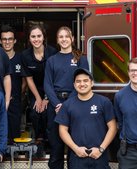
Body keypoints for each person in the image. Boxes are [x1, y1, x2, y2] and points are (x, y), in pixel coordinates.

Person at [44, 26, 89, 169]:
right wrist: (57, 104)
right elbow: (47, 85)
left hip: (76, 104)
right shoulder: (51, 60)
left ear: (72, 39)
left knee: (74, 145)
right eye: (61, 37)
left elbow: (84, 83)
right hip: (55, 106)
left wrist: (68, 105)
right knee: (56, 145)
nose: (64, 39)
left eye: (66, 36)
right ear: (57, 40)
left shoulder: (80, 58)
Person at [54, 68, 117, 169]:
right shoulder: (67, 105)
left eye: (85, 80)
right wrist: (76, 149)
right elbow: (62, 130)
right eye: (78, 81)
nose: (82, 84)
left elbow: (113, 128)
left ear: (92, 83)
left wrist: (101, 149)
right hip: (76, 157)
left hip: (99, 156)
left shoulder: (104, 102)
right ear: (74, 85)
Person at [21, 24, 57, 157]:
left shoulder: (53, 52)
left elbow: (55, 77)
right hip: (35, 89)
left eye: (39, 36)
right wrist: (38, 98)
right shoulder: (25, 55)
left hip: (52, 88)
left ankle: (50, 142)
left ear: (44, 37)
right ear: (29, 39)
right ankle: (39, 140)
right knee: (36, 112)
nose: (36, 39)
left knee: (48, 113)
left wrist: (47, 98)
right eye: (33, 36)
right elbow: (28, 79)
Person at [0, 25, 26, 143]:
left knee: (15, 131)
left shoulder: (21, 58)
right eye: (4, 39)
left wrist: (18, 94)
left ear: (15, 41)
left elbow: (25, 80)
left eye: (10, 39)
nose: (7, 42)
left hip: (15, 100)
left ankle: (14, 156)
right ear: (0, 41)